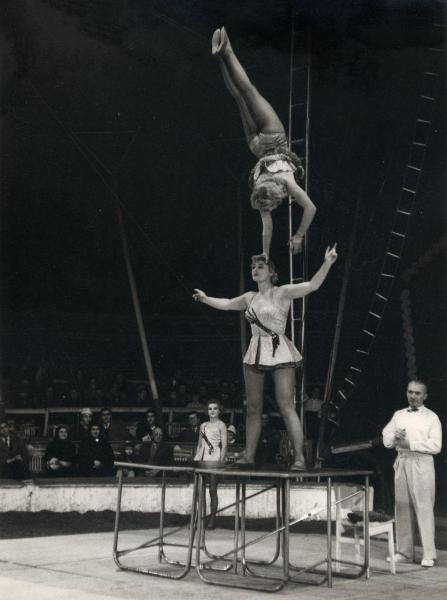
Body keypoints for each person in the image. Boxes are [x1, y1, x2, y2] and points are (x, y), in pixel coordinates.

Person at [193, 245, 337, 470]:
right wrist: (205, 299)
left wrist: (327, 262)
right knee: (252, 407)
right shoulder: (250, 297)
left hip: (278, 348)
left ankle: (299, 457)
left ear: (270, 272)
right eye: (252, 267)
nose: (255, 269)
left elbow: (312, 285)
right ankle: (249, 455)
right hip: (256, 349)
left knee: (286, 405)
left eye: (260, 266)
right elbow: (228, 303)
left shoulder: (282, 292)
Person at [212, 26, 316, 260]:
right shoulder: (263, 191)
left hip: (273, 137)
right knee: (240, 97)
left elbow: (310, 208)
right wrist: (266, 253)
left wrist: (299, 235)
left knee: (249, 92)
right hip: (257, 147)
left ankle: (226, 50)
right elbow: (266, 227)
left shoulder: (285, 183)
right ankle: (221, 55)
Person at [382, 380, 442, 568]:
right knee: (402, 507)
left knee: (424, 508)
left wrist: (412, 445)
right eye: (410, 392)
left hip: (421, 464)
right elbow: (386, 436)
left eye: (417, 393)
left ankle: (429, 554)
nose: (413, 396)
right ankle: (404, 552)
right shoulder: (398, 415)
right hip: (402, 462)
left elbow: (436, 446)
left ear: (425, 396)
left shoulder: (432, 417)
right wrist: (394, 437)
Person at [194, 400, 228, 529]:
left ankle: (212, 520)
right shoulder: (203, 425)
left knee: (212, 490)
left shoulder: (222, 425)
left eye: (215, 408)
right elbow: (200, 444)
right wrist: (197, 459)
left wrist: (220, 461)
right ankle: (200, 518)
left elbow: (224, 445)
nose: (212, 411)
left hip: (215, 459)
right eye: (210, 409)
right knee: (199, 491)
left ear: (219, 410)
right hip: (203, 459)